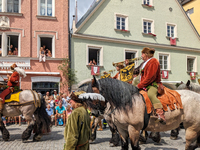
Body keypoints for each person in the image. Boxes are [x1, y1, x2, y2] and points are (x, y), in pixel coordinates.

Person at [137, 47, 166, 124]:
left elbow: (150, 77)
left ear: (146, 54)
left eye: (142, 54)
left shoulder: (153, 61)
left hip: (153, 84)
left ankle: (161, 115)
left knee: (151, 95)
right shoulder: (145, 62)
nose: (141, 55)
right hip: (145, 84)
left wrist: (139, 86)